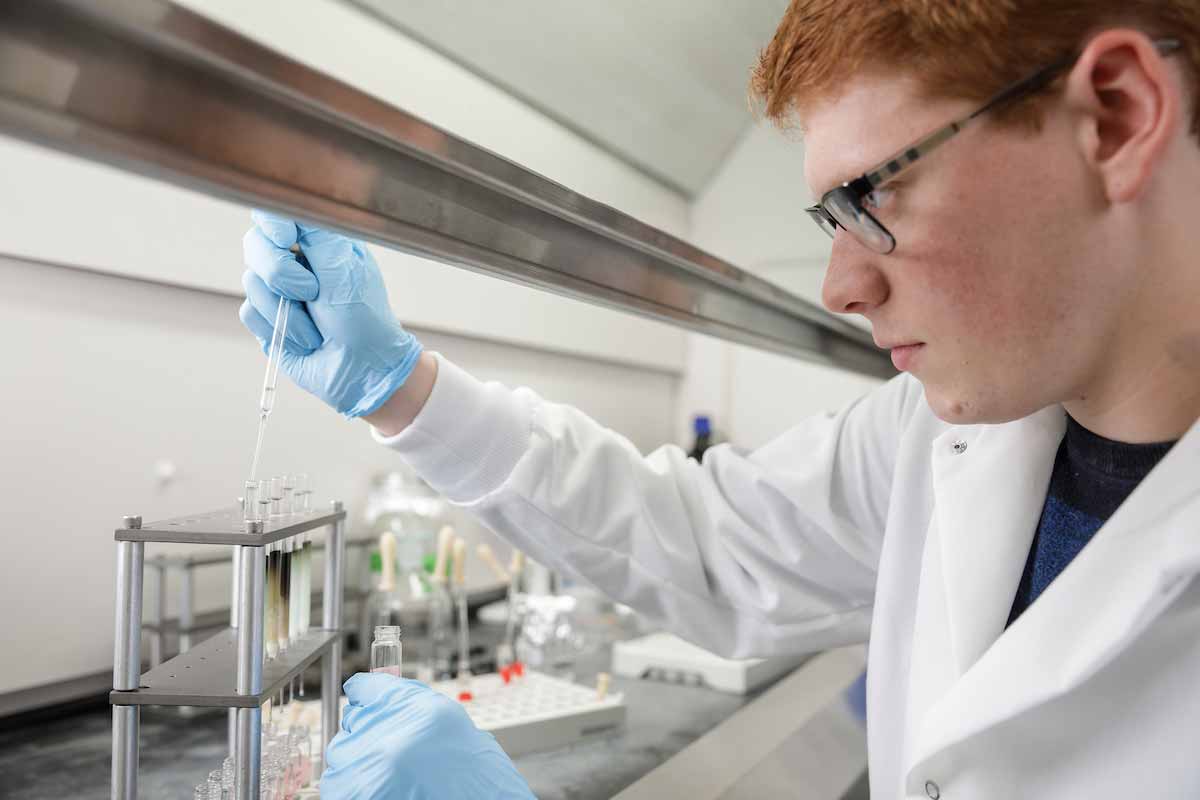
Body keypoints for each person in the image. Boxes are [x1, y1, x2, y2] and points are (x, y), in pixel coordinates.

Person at [239, 1, 1200, 796]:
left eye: (873, 194)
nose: (841, 287)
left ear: (1113, 115)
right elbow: (707, 540)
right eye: (832, 217)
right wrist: (399, 389)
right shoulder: (943, 433)